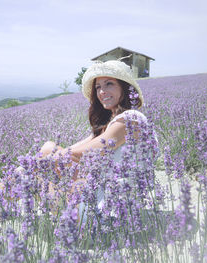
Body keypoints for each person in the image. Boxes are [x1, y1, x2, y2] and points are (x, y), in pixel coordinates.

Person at [39, 60, 158, 222]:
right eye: (98, 87)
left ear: (124, 87)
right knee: (48, 148)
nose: (102, 91)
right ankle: (2, 193)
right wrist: (48, 157)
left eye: (109, 84)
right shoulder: (111, 123)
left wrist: (43, 161)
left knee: (42, 164)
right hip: (99, 191)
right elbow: (75, 149)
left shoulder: (131, 119)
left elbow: (86, 153)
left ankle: (0, 195)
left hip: (110, 207)